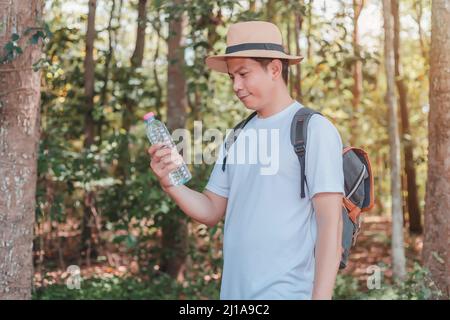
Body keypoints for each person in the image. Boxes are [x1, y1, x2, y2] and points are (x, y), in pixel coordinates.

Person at [148, 21, 344, 300]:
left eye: (243, 73)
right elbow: (212, 209)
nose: (236, 86)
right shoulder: (237, 135)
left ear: (275, 69)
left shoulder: (313, 130)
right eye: (232, 77)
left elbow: (330, 224)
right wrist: (170, 183)